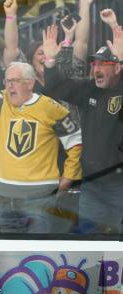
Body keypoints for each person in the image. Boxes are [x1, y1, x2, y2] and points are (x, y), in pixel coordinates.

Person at [0, 31, 82, 234]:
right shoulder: (1, 102)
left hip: (39, 197)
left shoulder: (50, 108)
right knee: (11, 257)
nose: (9, 86)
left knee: (37, 259)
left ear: (30, 82)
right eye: (7, 81)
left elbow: (75, 141)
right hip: (4, 195)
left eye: (15, 81)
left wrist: (69, 176)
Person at [43, 25, 123, 234]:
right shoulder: (89, 89)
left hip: (120, 186)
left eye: (103, 64)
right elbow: (57, 87)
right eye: (94, 64)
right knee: (89, 240)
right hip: (92, 183)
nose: (96, 69)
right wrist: (50, 62)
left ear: (117, 68)